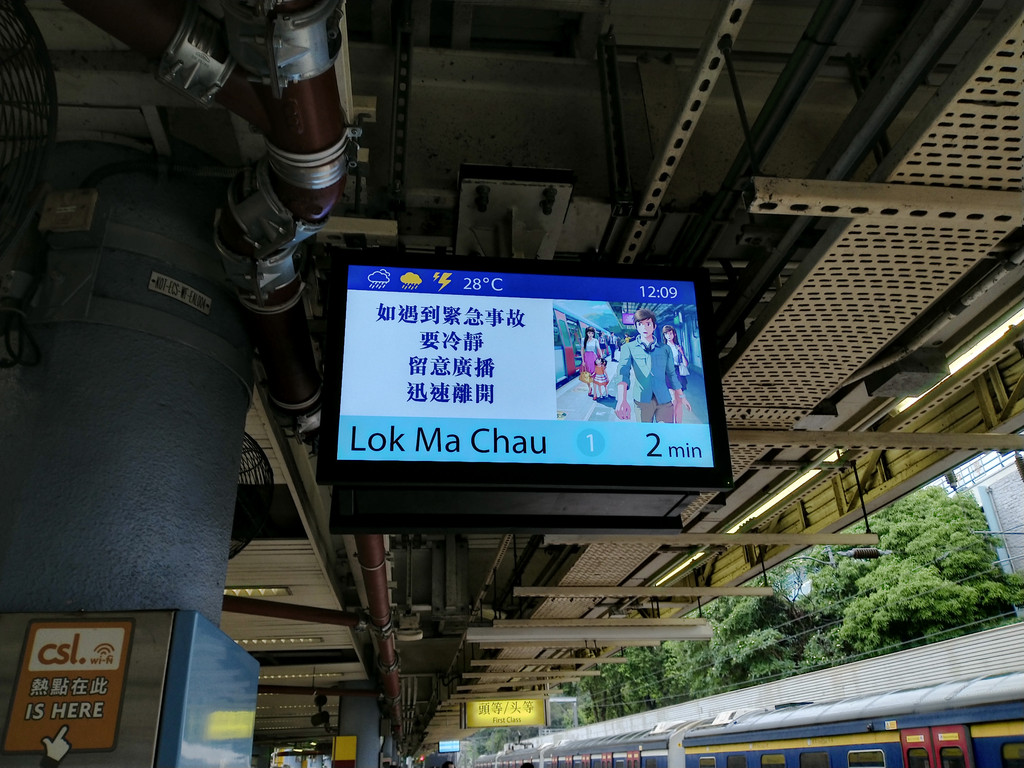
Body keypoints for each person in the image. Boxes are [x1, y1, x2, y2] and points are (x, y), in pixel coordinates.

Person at [615, 308, 691, 423]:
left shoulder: (665, 349)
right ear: (636, 326)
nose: (644, 328)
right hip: (642, 400)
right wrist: (621, 399)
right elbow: (622, 373)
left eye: (648, 324)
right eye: (640, 324)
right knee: (645, 431)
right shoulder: (628, 348)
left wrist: (681, 396)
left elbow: (671, 374)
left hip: (664, 399)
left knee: (666, 431)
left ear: (654, 326)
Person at [579, 326, 601, 398]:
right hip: (586, 358)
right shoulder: (583, 340)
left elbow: (598, 349)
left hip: (593, 358)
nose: (590, 334)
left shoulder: (595, 340)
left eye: (592, 333)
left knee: (594, 375)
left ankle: (595, 393)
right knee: (587, 375)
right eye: (589, 333)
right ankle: (589, 388)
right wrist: (583, 360)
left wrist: (601, 358)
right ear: (587, 333)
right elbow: (582, 350)